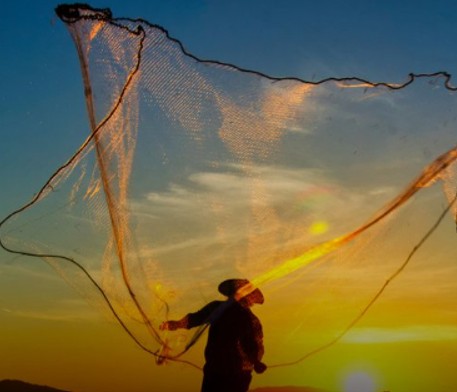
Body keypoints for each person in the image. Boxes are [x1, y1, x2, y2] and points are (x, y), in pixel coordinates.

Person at [160, 278, 267, 392]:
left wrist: (256, 361)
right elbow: (196, 318)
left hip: (236, 372)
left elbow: (253, 344)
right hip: (218, 370)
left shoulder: (250, 320)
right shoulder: (217, 308)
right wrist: (175, 324)